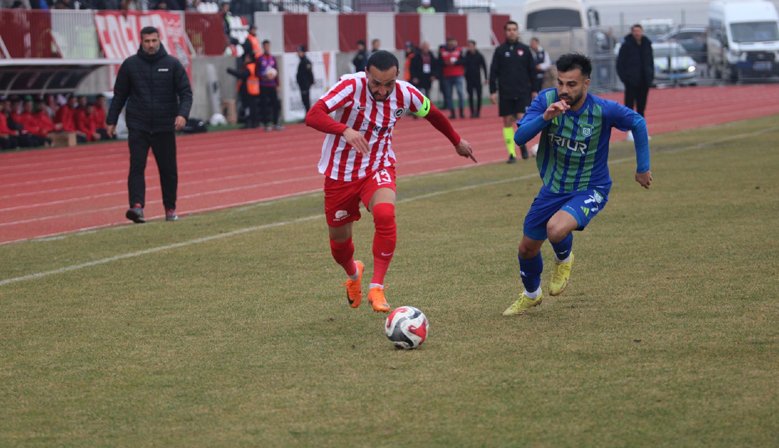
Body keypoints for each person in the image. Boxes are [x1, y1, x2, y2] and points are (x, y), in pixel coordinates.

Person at [304, 50, 476, 313]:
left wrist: (456, 141)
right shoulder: (350, 86)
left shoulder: (406, 93)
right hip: (340, 174)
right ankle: (353, 275)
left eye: (389, 84)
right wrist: (345, 130)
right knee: (339, 246)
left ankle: (377, 286)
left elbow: (434, 115)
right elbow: (314, 114)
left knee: (385, 213)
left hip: (378, 166)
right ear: (366, 76)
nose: (382, 91)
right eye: (376, 84)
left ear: (398, 77)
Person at [503, 53, 652, 316]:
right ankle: (531, 295)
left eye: (571, 84)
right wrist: (546, 117)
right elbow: (520, 137)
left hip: (590, 188)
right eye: (560, 83)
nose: (564, 90)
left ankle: (564, 259)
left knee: (556, 229)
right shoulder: (546, 101)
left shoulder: (602, 110)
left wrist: (642, 169)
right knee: (527, 248)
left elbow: (638, 123)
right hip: (553, 188)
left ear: (586, 84)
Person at [106, 26, 193, 223]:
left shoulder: (172, 64)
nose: (151, 45)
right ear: (141, 42)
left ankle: (170, 209)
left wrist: (183, 114)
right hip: (138, 125)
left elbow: (186, 93)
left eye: (154, 41)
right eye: (147, 41)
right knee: (136, 166)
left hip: (164, 125)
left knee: (168, 170)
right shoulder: (130, 65)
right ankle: (137, 207)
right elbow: (119, 95)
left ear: (159, 40)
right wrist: (111, 120)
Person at [489, 20, 537, 163]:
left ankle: (522, 144)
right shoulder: (500, 51)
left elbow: (532, 71)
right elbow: (493, 72)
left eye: (514, 29)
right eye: (509, 29)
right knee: (507, 120)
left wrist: (535, 90)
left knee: (522, 119)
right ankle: (511, 154)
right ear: (505, 32)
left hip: (522, 91)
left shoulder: (525, 49)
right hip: (506, 92)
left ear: (517, 31)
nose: (512, 32)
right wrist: (493, 91)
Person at [617, 24, 654, 141]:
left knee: (641, 107)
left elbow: (650, 61)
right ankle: (629, 132)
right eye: (635, 31)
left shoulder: (647, 44)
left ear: (642, 31)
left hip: (644, 80)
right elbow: (620, 63)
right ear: (632, 32)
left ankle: (641, 132)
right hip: (631, 81)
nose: (637, 33)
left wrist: (650, 75)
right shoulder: (626, 45)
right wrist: (625, 78)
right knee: (629, 107)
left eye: (639, 31)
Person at [227, 53, 261, 129]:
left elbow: (242, 75)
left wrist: (231, 71)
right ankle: (255, 122)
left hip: (248, 90)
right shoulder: (254, 66)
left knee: (248, 107)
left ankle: (249, 122)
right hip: (254, 89)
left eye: (247, 57)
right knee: (253, 107)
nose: (245, 59)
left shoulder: (249, 67)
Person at [258, 39, 283, 131]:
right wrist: (264, 78)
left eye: (268, 46)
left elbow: (276, 72)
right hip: (264, 85)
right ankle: (266, 124)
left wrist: (278, 85)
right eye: (265, 46)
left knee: (275, 104)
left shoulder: (273, 58)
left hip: (272, 85)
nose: (267, 48)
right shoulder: (260, 59)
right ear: (263, 47)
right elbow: (257, 73)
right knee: (264, 104)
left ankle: (276, 123)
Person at [439, 36, 465, 119]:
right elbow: (439, 62)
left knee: (460, 93)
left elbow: (464, 61)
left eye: (452, 43)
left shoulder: (459, 50)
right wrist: (445, 63)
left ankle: (461, 112)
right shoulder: (442, 51)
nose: (450, 45)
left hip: (458, 74)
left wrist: (455, 63)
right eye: (449, 43)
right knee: (449, 94)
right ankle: (452, 112)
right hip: (447, 75)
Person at [462, 39, 487, 118]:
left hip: (477, 78)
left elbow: (484, 67)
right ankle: (472, 112)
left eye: (471, 46)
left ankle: (478, 111)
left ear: (474, 46)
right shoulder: (466, 56)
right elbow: (463, 65)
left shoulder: (479, 56)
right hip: (469, 79)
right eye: (469, 46)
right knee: (470, 96)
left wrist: (486, 78)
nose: (470, 48)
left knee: (479, 95)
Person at [296, 45, 314, 114]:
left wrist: (310, 82)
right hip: (302, 84)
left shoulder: (306, 61)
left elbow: (309, 72)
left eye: (300, 52)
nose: (298, 54)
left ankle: (308, 114)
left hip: (305, 84)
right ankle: (307, 114)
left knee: (306, 99)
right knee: (304, 100)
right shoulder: (302, 61)